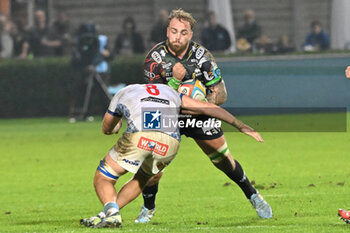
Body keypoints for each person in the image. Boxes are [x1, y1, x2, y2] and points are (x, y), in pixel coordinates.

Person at [138, 8, 272, 223]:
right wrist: (175, 83)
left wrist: (205, 103)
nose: (178, 37)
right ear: (167, 31)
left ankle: (253, 195)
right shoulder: (154, 59)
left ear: (190, 34)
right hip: (167, 116)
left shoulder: (203, 58)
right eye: (174, 31)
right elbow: (154, 100)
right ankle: (148, 208)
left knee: (223, 160)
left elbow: (221, 94)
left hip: (199, 115)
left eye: (183, 32)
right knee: (153, 166)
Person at [80, 83, 264, 228]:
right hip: (171, 142)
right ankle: (109, 214)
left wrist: (116, 126)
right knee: (143, 177)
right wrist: (240, 125)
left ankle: (112, 213)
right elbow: (209, 108)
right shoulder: (171, 92)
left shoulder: (123, 92)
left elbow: (106, 128)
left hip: (141, 135)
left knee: (103, 176)